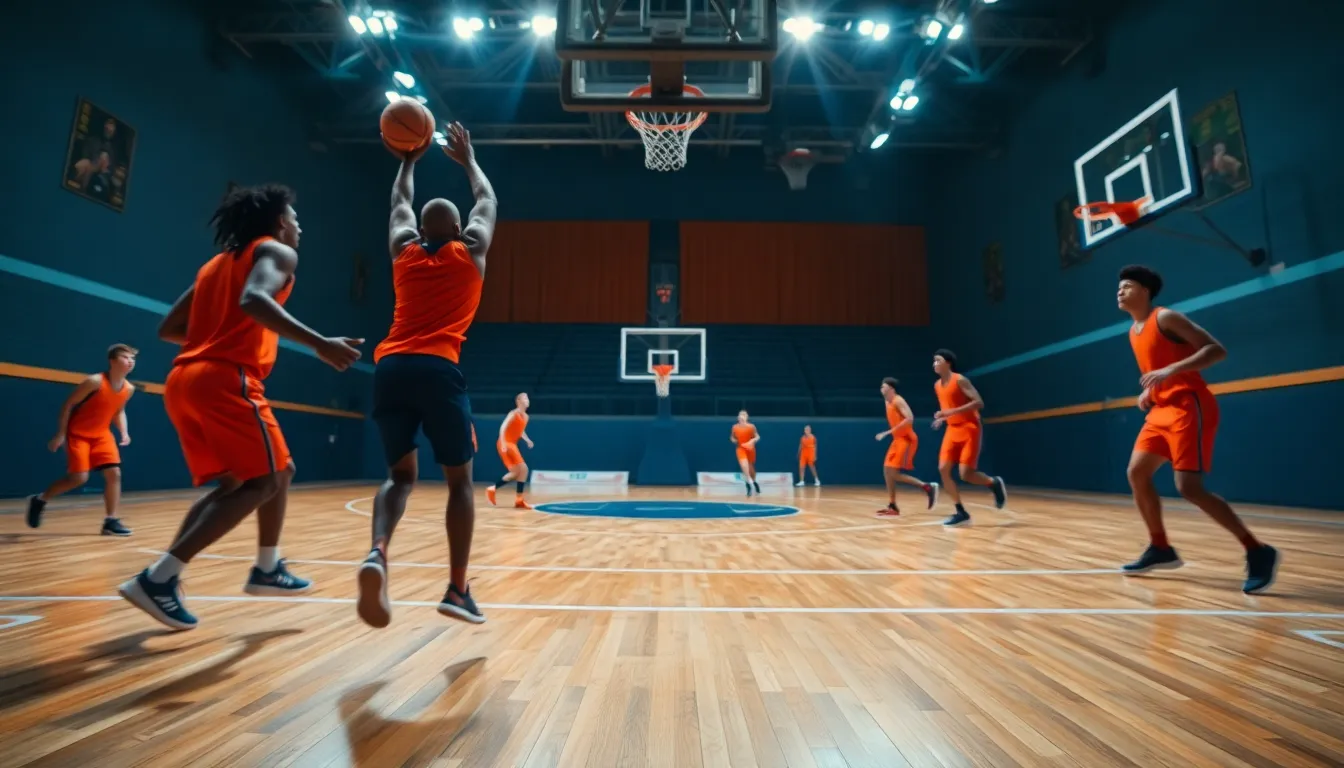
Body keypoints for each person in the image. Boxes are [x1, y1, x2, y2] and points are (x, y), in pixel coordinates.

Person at [117, 184, 364, 631]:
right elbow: (254, 300)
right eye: (294, 217)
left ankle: (266, 567)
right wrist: (320, 345)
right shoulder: (276, 252)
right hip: (225, 379)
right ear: (278, 223)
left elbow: (170, 328)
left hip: (185, 379)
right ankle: (159, 578)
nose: (299, 226)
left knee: (264, 477)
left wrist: (215, 336)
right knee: (264, 480)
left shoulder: (215, 265)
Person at [358, 122, 497, 629]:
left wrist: (409, 158)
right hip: (439, 367)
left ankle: (377, 550)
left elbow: (398, 201)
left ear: (419, 231)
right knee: (459, 483)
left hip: (390, 365)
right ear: (461, 233)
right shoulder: (472, 251)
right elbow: (486, 198)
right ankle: (458, 588)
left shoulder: (403, 252)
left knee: (399, 476)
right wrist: (468, 160)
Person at [1116, 265, 1277, 593]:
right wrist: (1150, 390)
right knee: (1137, 473)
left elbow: (1216, 350)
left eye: (1127, 286)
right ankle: (1160, 547)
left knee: (1189, 487)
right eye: (1119, 287)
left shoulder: (1166, 318)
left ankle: (1257, 550)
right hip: (1162, 410)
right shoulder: (1133, 331)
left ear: (1145, 291)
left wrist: (1172, 369)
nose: (1120, 291)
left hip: (1190, 406)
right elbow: (1157, 372)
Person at [27, 344, 138, 536]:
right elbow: (68, 405)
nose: (130, 361)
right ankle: (40, 499)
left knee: (114, 474)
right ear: (112, 361)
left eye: (133, 359)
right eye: (125, 357)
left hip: (102, 435)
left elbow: (118, 410)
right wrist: (61, 434)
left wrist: (124, 432)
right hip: (78, 434)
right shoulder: (94, 382)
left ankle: (110, 521)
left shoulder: (128, 389)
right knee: (78, 479)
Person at [931, 350, 1007, 527]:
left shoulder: (961, 380)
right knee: (943, 469)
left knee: (965, 474)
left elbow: (979, 402)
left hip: (969, 428)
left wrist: (949, 412)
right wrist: (942, 418)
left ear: (948, 363)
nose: (934, 364)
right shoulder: (937, 385)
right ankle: (960, 512)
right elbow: (947, 406)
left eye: (937, 360)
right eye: (933, 361)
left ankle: (993, 483)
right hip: (952, 429)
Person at [875, 377, 938, 517]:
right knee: (887, 471)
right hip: (897, 440)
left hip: (907, 440)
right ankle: (893, 506)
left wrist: (888, 432)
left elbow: (910, 418)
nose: (881, 389)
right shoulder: (887, 401)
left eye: (883, 386)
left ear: (891, 389)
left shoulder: (898, 400)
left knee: (894, 474)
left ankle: (927, 487)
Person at [486, 393, 534, 509]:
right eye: (524, 398)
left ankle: (493, 489)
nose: (527, 400)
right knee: (524, 469)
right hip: (506, 443)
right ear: (518, 401)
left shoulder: (526, 417)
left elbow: (520, 430)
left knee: (516, 473)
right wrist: (503, 443)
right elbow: (503, 427)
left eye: (528, 398)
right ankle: (519, 499)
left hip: (512, 444)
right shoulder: (513, 413)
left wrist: (527, 440)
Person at [731, 410, 761, 496]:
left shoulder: (751, 427)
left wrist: (752, 440)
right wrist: (734, 440)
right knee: (744, 466)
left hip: (750, 449)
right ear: (738, 418)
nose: (742, 417)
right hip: (741, 448)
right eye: (740, 415)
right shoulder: (735, 427)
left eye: (744, 415)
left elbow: (757, 436)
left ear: (746, 418)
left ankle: (754, 482)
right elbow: (732, 437)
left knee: (751, 468)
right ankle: (748, 483)